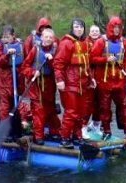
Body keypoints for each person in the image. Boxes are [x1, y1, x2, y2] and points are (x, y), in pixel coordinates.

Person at [90, 16, 126, 140]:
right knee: (104, 108)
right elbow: (92, 59)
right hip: (104, 83)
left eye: (119, 27)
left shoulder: (125, 43)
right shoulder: (101, 42)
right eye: (114, 27)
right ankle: (107, 131)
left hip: (120, 82)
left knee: (124, 107)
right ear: (110, 28)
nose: (116, 30)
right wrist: (105, 59)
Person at [53, 18, 96, 149]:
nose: (79, 29)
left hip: (82, 84)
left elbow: (86, 65)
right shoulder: (66, 43)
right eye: (76, 27)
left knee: (81, 112)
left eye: (81, 27)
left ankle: (77, 136)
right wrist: (59, 80)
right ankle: (65, 138)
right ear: (72, 28)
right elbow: (58, 63)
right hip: (69, 84)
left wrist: (91, 78)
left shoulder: (84, 43)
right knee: (71, 112)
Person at [21, 28, 61, 145]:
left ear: (53, 39)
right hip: (36, 85)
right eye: (46, 37)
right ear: (41, 38)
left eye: (50, 37)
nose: (48, 39)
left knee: (50, 109)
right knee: (38, 110)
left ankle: (55, 132)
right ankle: (38, 136)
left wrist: (50, 61)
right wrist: (33, 72)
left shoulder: (55, 50)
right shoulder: (35, 50)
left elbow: (57, 68)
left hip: (49, 84)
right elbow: (24, 67)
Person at [0, 25, 28, 138]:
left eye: (7, 37)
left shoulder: (21, 46)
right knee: (4, 107)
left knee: (17, 104)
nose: (5, 39)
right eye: (3, 37)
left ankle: (18, 128)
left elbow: (27, 60)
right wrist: (6, 55)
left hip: (17, 81)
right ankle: (4, 131)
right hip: (4, 83)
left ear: (13, 36)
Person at [84, 25, 103, 135]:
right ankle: (83, 126)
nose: (95, 33)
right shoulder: (86, 43)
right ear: (89, 33)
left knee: (100, 103)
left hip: (101, 76)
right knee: (88, 102)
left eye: (97, 31)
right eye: (92, 31)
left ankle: (96, 125)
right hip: (89, 75)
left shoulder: (104, 42)